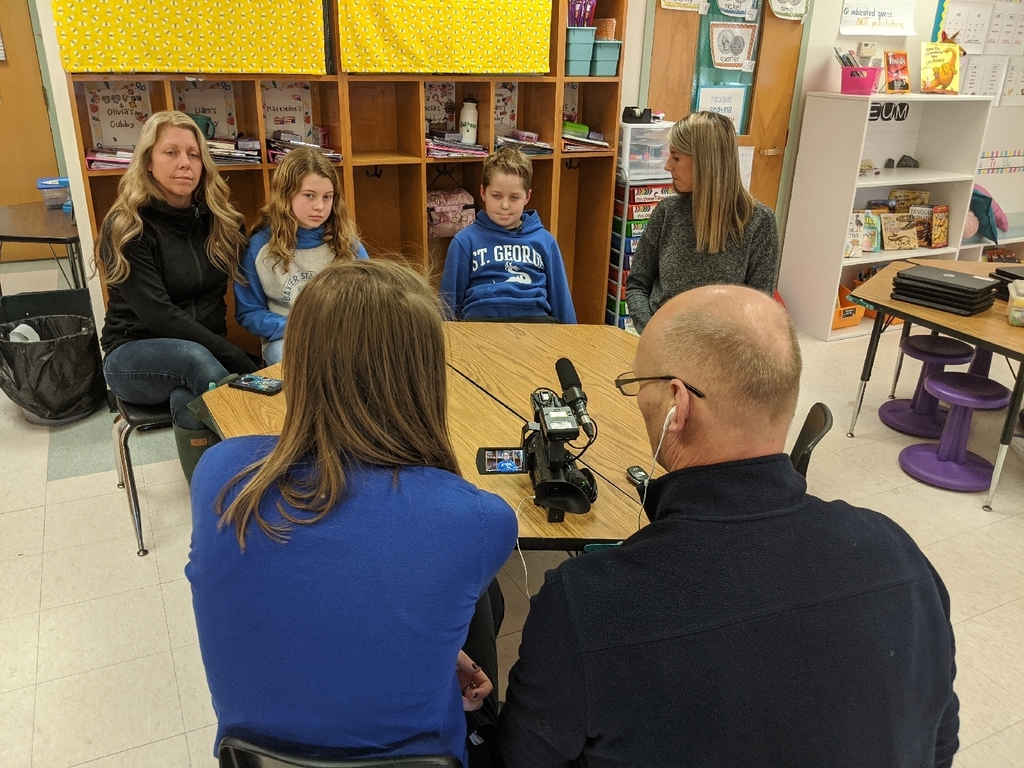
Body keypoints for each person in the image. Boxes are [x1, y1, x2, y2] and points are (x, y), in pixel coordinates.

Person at [499, 285, 959, 767]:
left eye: (640, 385)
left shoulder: (583, 604)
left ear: (677, 403)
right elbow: (938, 742)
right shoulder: (902, 556)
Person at [188, 259, 519, 765]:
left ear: (297, 360)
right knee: (485, 606)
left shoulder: (220, 475)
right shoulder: (478, 520)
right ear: (424, 374)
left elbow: (314, 593)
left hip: (254, 760)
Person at [96, 110, 257, 483]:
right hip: (132, 354)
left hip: (202, 356)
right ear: (148, 162)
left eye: (194, 153)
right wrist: (234, 355)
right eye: (170, 152)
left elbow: (262, 260)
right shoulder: (128, 225)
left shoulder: (221, 220)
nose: (184, 163)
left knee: (190, 395)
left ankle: (209, 489)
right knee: (197, 363)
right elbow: (160, 317)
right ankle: (260, 470)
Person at [625, 111, 780, 334]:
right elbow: (637, 284)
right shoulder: (667, 212)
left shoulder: (759, 222)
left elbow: (759, 308)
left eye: (676, 158)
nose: (668, 166)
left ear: (706, 163)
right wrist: (653, 333)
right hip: (661, 341)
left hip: (720, 353)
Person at [234, 147, 368, 364]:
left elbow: (371, 301)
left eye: (327, 197)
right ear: (286, 195)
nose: (320, 206)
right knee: (304, 366)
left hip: (343, 337)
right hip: (287, 339)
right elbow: (249, 313)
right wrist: (298, 327)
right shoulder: (259, 248)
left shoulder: (347, 244)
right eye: (309, 196)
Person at [440, 146, 576, 323]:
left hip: (535, 326)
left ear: (527, 197)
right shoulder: (464, 241)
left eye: (514, 198)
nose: (505, 205)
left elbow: (562, 301)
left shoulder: (545, 242)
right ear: (483, 193)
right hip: (480, 325)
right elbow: (447, 304)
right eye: (496, 196)